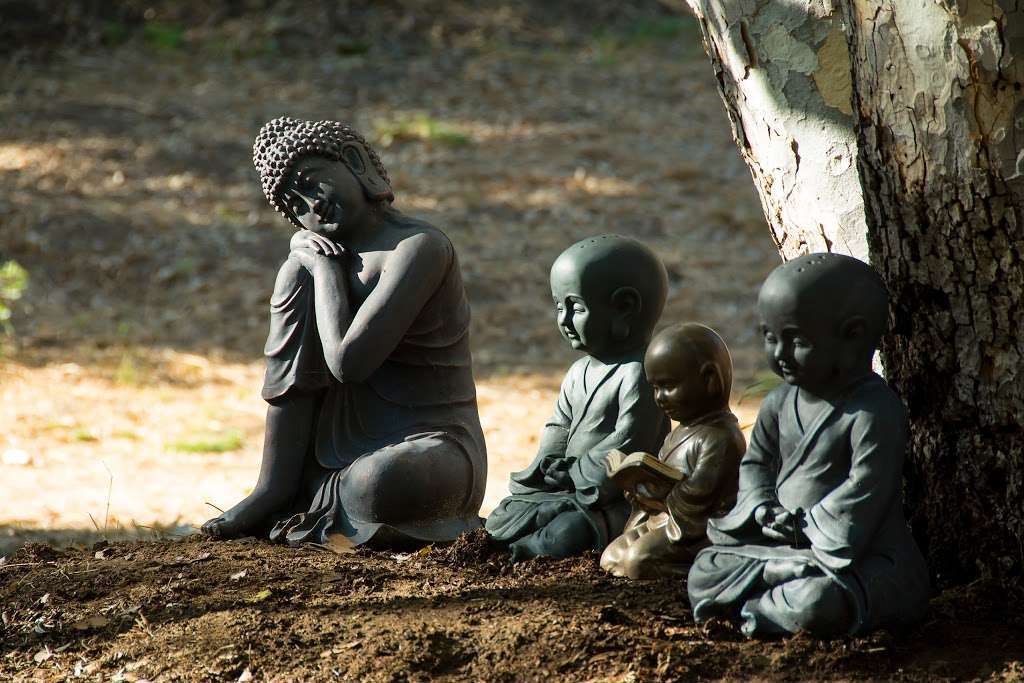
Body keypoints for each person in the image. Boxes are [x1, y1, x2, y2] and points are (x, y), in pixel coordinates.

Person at [201, 117, 487, 547]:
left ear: (354, 163)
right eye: (294, 205)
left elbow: (349, 363)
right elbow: (293, 384)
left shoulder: (419, 248)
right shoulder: (307, 267)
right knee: (293, 271)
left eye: (312, 184)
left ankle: (316, 499)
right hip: (337, 453)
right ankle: (274, 490)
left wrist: (325, 270)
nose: (311, 208)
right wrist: (310, 266)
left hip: (433, 446)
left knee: (375, 482)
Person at [687, 253, 929, 637]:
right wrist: (763, 509)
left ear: (854, 336)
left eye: (797, 340)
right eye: (769, 337)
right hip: (780, 544)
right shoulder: (780, 401)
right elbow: (756, 465)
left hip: (856, 557)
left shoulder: (872, 410)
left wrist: (805, 527)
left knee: (817, 601)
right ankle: (773, 578)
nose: (779, 354)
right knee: (704, 570)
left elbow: (865, 488)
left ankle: (755, 606)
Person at [485, 235, 670, 561]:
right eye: (559, 307)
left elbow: (628, 446)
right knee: (505, 513)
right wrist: (550, 464)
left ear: (624, 309)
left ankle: (533, 550)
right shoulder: (578, 372)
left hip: (614, 498)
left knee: (571, 529)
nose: (563, 320)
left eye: (576, 307)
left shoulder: (639, 373)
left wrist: (576, 473)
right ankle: (522, 539)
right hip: (569, 487)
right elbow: (558, 426)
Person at [600, 323, 745, 580]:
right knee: (611, 557)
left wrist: (659, 496)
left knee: (636, 563)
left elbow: (699, 500)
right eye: (654, 388)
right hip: (664, 520)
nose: (659, 397)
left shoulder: (721, 438)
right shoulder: (678, 433)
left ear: (710, 379)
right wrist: (642, 498)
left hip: (698, 533)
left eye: (668, 386)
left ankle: (703, 574)